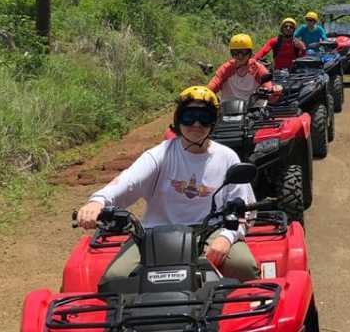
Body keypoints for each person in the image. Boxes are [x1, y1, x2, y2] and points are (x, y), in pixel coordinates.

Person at [75, 86, 259, 282]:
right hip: (155, 233)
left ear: (213, 122)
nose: (196, 124)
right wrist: (98, 201)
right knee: (115, 278)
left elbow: (244, 210)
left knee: (244, 267)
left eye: (204, 117)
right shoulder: (160, 154)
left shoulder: (227, 157)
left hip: (211, 231)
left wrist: (226, 238)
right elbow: (128, 181)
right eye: (189, 117)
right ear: (178, 120)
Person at [208, 33, 275, 102]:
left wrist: (273, 91)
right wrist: (205, 92)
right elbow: (214, 84)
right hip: (227, 109)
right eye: (236, 52)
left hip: (251, 110)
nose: (240, 56)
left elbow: (269, 87)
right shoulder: (226, 68)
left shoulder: (257, 68)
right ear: (231, 53)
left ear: (250, 53)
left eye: (244, 52)